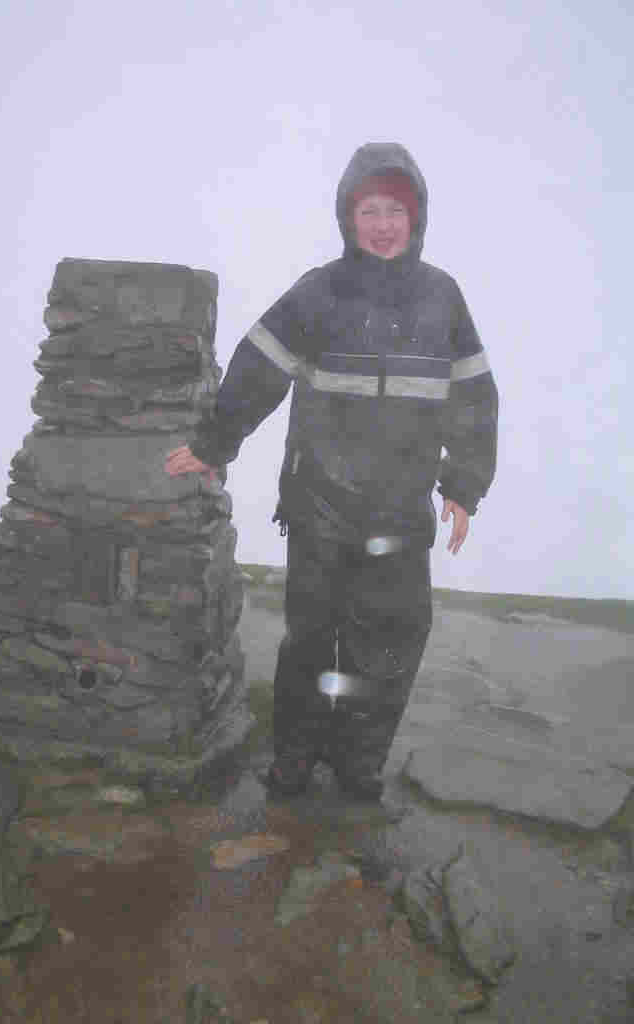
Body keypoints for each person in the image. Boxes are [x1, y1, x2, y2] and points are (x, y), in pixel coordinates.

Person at [166, 143, 498, 802]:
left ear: (416, 217)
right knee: (313, 642)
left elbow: (474, 399)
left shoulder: (442, 298)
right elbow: (257, 368)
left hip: (402, 514)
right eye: (368, 209)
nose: (381, 224)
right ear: (348, 216)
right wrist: (215, 443)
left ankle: (358, 760)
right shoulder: (320, 291)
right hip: (320, 504)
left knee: (389, 646)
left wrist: (463, 487)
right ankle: (295, 753)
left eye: (394, 211)